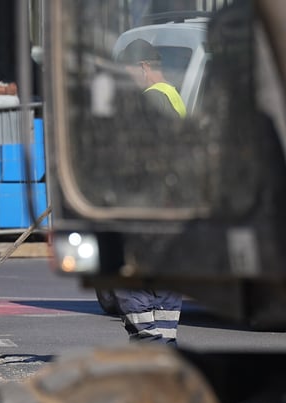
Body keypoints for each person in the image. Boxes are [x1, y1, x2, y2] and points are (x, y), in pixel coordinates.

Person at [112, 38, 186, 346]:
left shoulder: (151, 99)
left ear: (143, 67)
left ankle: (149, 345)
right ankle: (163, 348)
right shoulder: (173, 96)